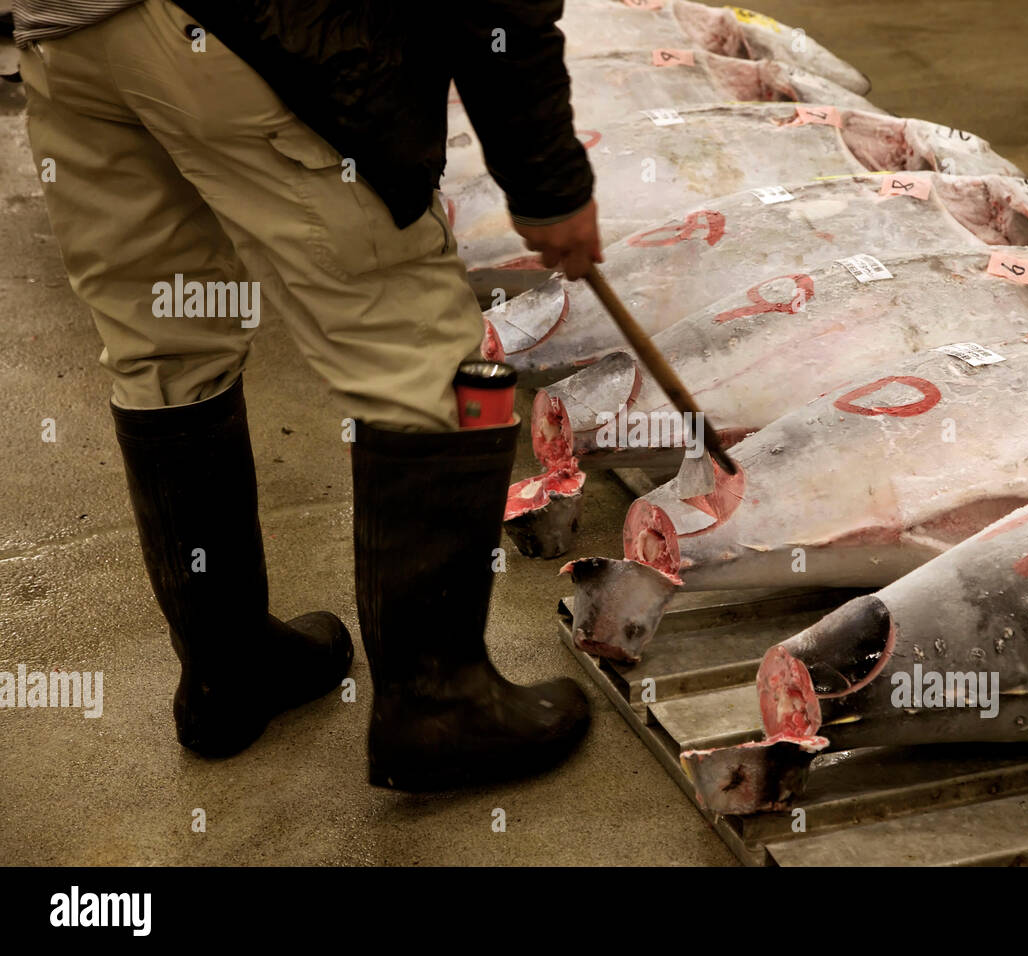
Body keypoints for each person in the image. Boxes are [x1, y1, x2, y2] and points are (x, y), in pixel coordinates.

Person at [14, 0, 601, 790]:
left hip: (68, 34)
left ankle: (228, 674)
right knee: (433, 363)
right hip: (235, 26)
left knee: (164, 342)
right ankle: (440, 708)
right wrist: (550, 184)